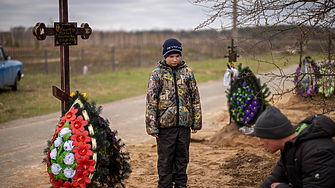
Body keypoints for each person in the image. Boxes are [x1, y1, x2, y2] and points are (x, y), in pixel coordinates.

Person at [145, 38, 202, 188]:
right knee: (166, 159)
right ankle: (165, 185)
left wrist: (196, 121)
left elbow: (195, 97)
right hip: (165, 127)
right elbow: (151, 101)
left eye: (177, 56)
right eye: (171, 56)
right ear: (165, 56)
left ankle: (181, 185)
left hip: (184, 125)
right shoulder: (157, 74)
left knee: (182, 158)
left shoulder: (187, 73)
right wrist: (152, 126)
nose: (175, 59)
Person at [253, 105, 335, 188]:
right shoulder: (290, 146)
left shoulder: (316, 152)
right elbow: (275, 178)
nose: (261, 143)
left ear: (274, 134)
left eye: (262, 138)